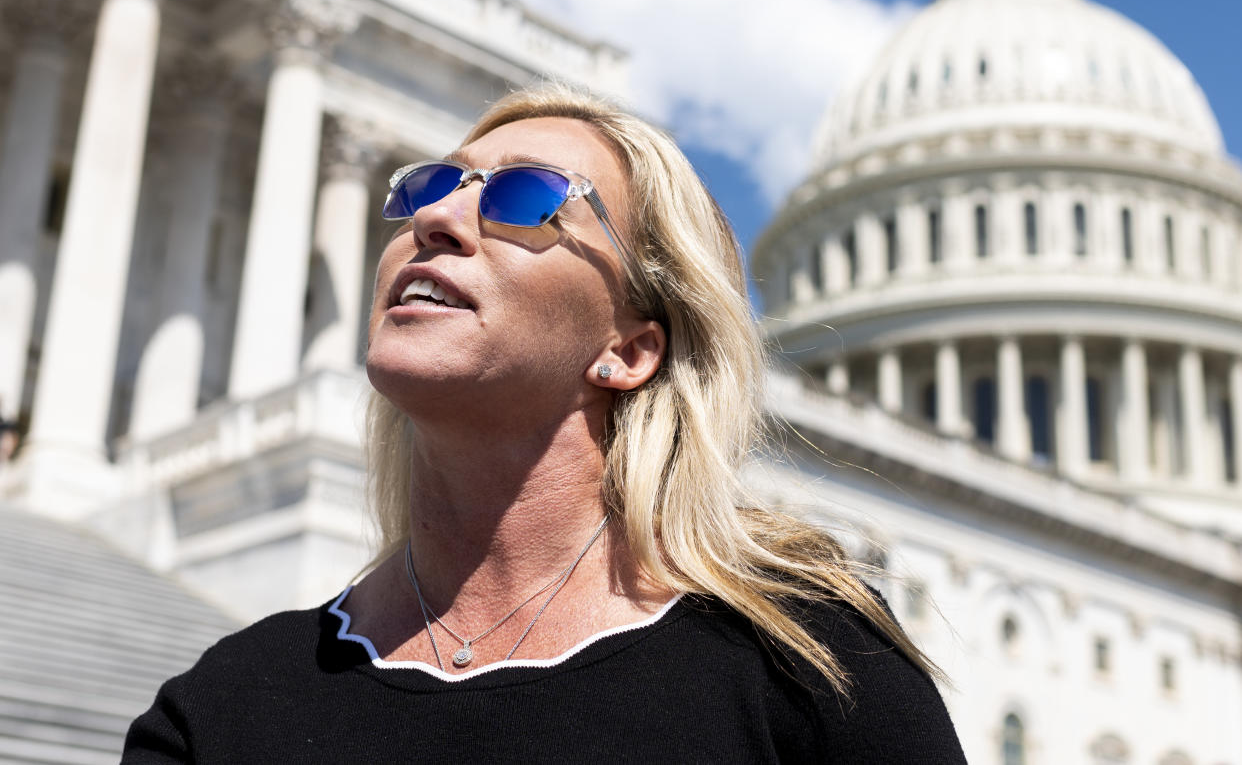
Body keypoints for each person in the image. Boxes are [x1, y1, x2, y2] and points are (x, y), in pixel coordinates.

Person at [124, 84, 965, 762]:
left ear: (630, 349)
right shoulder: (221, 709)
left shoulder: (810, 666)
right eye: (430, 185)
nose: (438, 218)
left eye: (526, 198)